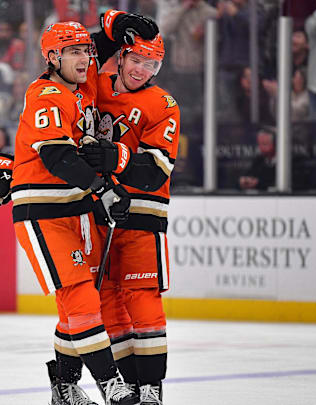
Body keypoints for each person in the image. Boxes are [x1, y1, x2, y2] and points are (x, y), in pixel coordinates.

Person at [0, 11, 159, 405]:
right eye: (73, 52)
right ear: (52, 58)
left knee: (78, 304)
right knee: (80, 295)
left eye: (86, 51)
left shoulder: (83, 88)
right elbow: (59, 158)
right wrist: (105, 189)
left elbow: (98, 48)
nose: (84, 58)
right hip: (43, 211)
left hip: (76, 207)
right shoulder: (47, 94)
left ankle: (64, 385)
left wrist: (117, 30)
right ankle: (111, 383)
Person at [77, 30, 179, 405]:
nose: (141, 69)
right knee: (105, 298)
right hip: (97, 211)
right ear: (120, 57)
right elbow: (63, 69)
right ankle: (129, 386)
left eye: (150, 64)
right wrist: (107, 28)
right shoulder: (93, 85)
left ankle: (152, 386)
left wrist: (115, 158)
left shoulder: (163, 104)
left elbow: (156, 170)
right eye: (136, 60)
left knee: (141, 296)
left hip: (141, 213)